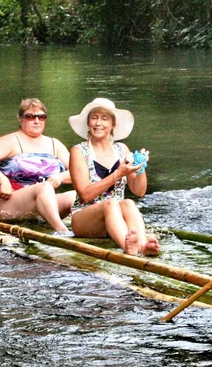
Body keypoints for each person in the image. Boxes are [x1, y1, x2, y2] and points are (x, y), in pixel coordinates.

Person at [67, 98, 160, 256]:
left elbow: (139, 191)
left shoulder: (121, 149)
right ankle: (127, 246)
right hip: (85, 217)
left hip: (115, 217)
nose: (98, 123)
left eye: (104, 118)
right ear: (88, 122)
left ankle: (143, 246)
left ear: (112, 124)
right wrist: (118, 174)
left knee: (129, 202)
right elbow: (84, 195)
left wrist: (140, 167)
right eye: (94, 117)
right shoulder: (78, 151)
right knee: (110, 204)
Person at [0, 98, 76, 236]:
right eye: (30, 117)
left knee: (75, 196)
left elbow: (79, 171)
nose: (37, 121)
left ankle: (88, 228)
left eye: (41, 117)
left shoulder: (55, 144)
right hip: (11, 203)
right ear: (20, 119)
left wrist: (60, 176)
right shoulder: (10, 141)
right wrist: (2, 180)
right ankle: (63, 232)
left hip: (46, 201)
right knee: (44, 187)